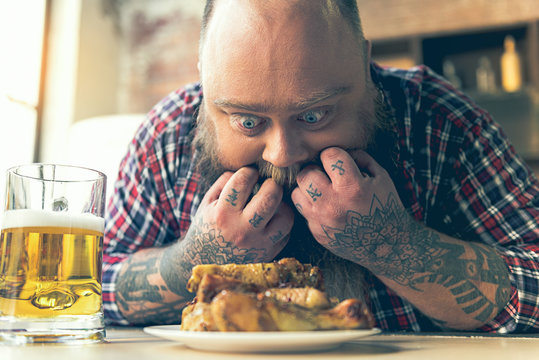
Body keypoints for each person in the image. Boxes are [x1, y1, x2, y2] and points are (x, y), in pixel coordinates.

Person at [103, 0, 539, 333]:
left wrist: (393, 246)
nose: (281, 154)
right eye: (248, 121)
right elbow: (92, 289)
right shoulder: (167, 135)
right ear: (205, 79)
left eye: (315, 116)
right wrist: (194, 260)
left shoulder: (442, 122)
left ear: (366, 68)